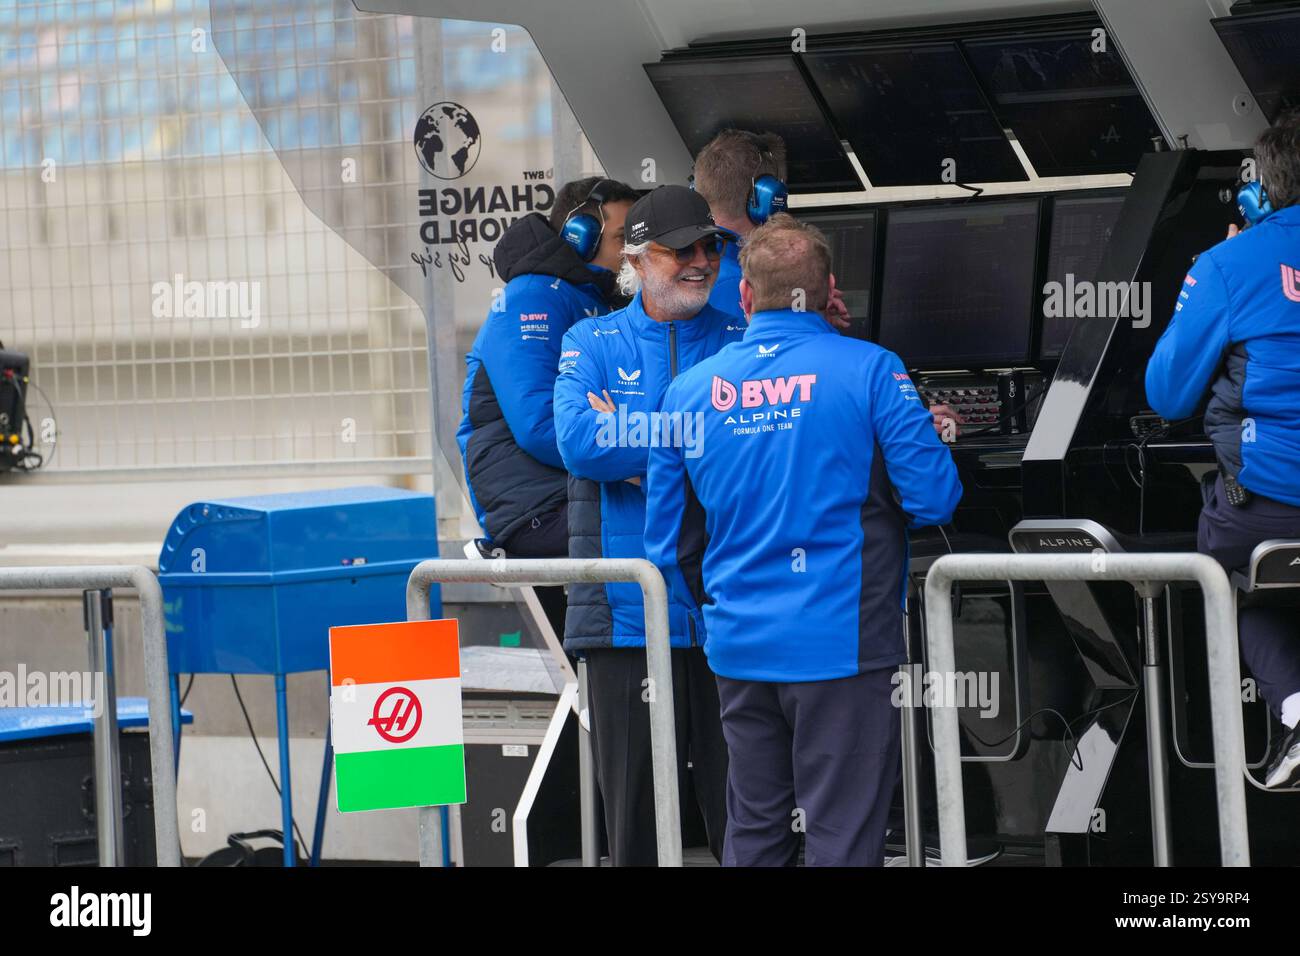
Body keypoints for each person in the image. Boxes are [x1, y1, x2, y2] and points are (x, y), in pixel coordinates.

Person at [644, 213, 963, 865]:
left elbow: (669, 542)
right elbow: (934, 496)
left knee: (755, 830)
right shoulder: (871, 369)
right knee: (842, 835)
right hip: (840, 645)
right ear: (829, 290)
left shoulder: (686, 392)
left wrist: (722, 612)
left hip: (737, 645)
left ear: (745, 296)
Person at [553, 184, 742, 864]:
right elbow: (577, 441)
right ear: (635, 258)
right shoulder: (589, 338)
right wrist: (688, 447)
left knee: (742, 822)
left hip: (726, 613)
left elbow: (750, 447)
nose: (700, 261)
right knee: (631, 829)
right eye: (680, 249)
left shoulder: (741, 341)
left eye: (711, 245)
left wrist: (640, 448)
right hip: (623, 618)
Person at [1145, 111, 1300, 789]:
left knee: (1233, 576)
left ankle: (1296, 707)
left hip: (1267, 513)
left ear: (1263, 187)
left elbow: (1169, 394)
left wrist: (1223, 267)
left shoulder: (1228, 264)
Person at [692, 128, 961, 437]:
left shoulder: (693, 278)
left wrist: (811, 323)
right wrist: (904, 421)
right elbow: (791, 403)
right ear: (766, 199)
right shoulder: (747, 282)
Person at [456, 177, 637, 629]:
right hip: (537, 509)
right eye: (622, 238)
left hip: (569, 494)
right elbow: (540, 427)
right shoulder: (531, 299)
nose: (632, 252)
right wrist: (633, 458)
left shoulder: (593, 299)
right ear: (580, 235)